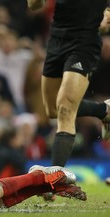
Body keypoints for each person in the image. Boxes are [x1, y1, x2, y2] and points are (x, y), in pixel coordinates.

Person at [27, 1, 110, 168]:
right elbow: (34, 6)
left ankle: (54, 177)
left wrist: (106, 15)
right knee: (52, 109)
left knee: (65, 110)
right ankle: (104, 110)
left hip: (84, 42)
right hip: (57, 40)